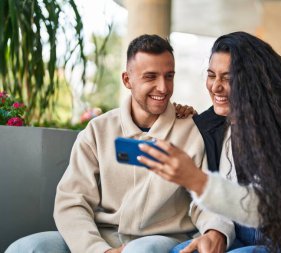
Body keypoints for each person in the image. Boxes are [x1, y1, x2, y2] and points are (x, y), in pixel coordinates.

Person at [137, 32, 281, 253]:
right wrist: (214, 231)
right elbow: (229, 197)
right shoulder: (227, 124)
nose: (216, 86)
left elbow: (266, 211)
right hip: (244, 230)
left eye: (228, 78)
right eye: (211, 75)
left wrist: (196, 181)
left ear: (253, 83)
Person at [5, 34, 235, 253]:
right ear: (127, 80)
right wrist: (98, 249)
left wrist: (216, 230)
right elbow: (72, 201)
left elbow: (204, 196)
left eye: (169, 76)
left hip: (159, 241)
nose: (163, 88)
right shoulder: (98, 130)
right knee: (27, 247)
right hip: (100, 237)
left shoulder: (190, 131)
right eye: (150, 77)